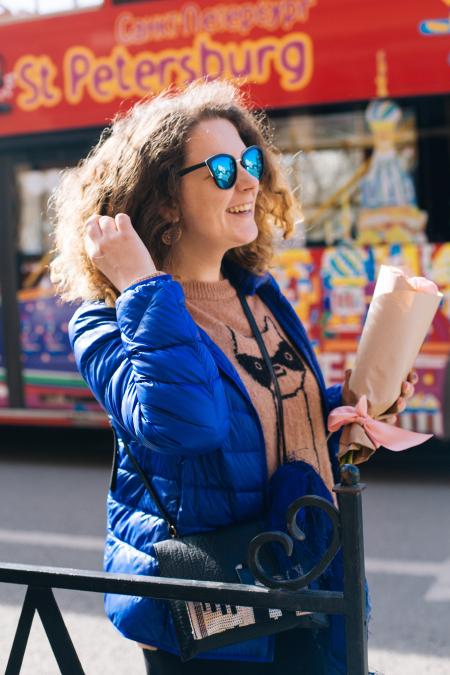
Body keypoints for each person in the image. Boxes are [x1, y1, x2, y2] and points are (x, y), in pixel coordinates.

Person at [50, 80, 415, 674]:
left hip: (310, 580)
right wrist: (143, 286)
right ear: (164, 200)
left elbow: (265, 430)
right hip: (220, 619)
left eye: (248, 161)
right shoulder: (108, 322)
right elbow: (189, 426)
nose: (249, 179)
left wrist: (349, 408)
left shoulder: (258, 294)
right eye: (222, 168)